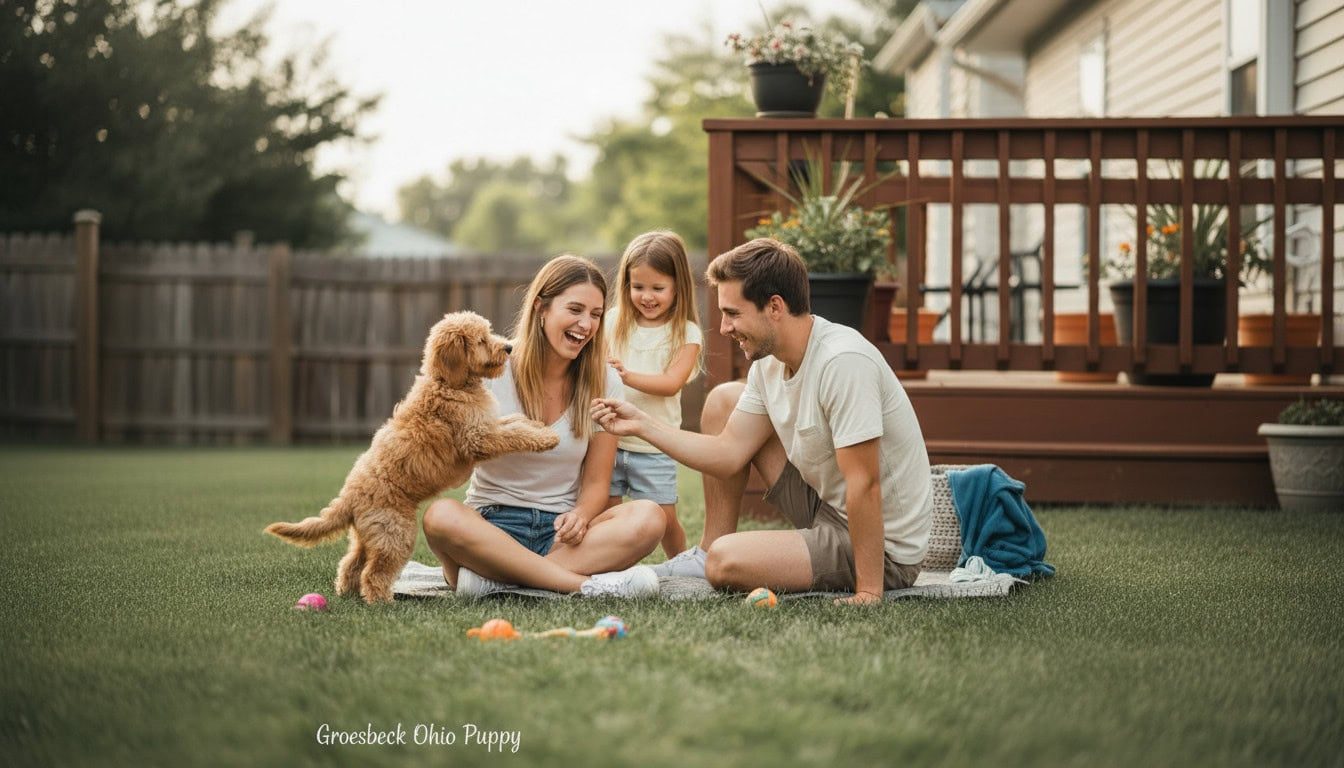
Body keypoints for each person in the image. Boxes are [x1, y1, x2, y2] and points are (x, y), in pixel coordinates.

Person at [592, 238, 932, 606]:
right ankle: (707, 551)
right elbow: (727, 454)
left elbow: (864, 484)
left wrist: (869, 591)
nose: (723, 328)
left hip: (881, 547)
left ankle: (718, 557)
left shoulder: (843, 362)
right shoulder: (768, 363)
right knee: (724, 400)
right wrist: (642, 423)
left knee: (727, 562)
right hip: (825, 507)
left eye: (733, 314)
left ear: (774, 307)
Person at [422, 255, 664, 598]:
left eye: (595, 315)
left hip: (561, 534)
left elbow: (597, 482)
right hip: (491, 526)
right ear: (541, 308)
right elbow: (454, 464)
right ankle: (585, 586)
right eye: (575, 309)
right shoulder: (492, 369)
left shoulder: (604, 380)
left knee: (649, 516)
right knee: (440, 516)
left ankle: (497, 580)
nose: (586, 324)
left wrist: (581, 514)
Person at [604, 230, 704, 560]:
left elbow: (671, 382)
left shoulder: (686, 332)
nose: (647, 296)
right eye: (638, 287)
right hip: (609, 440)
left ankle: (682, 566)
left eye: (657, 288)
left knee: (665, 519)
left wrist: (625, 376)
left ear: (678, 286)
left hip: (655, 445)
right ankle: (609, 568)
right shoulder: (613, 321)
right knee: (607, 513)